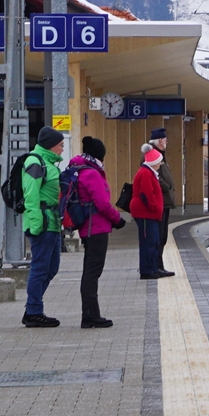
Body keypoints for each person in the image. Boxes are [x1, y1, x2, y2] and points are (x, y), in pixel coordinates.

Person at [67, 136, 126, 329]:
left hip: (89, 227)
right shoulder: (91, 173)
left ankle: (90, 313)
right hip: (96, 227)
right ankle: (91, 315)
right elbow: (102, 203)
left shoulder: (79, 169)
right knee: (93, 272)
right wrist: (118, 220)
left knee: (90, 271)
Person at [21, 126, 66, 328]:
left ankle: (32, 307)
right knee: (40, 267)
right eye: (60, 145)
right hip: (44, 223)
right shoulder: (35, 162)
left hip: (52, 222)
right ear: (51, 146)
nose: (63, 149)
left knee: (51, 267)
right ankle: (34, 311)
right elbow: (31, 196)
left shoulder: (48, 162)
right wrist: (37, 224)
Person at [133, 145, 172, 280]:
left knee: (153, 241)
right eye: (159, 161)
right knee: (148, 242)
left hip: (150, 214)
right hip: (146, 214)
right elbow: (147, 195)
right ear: (154, 162)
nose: (161, 164)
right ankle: (148, 270)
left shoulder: (148, 173)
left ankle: (153, 268)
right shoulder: (145, 174)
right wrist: (156, 208)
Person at [144, 127, 175, 246]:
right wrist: (166, 187)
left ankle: (159, 262)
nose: (167, 142)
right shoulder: (152, 156)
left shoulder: (160, 154)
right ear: (161, 140)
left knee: (162, 236)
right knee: (159, 236)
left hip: (164, 201)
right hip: (159, 201)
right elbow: (153, 176)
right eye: (166, 140)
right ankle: (157, 263)